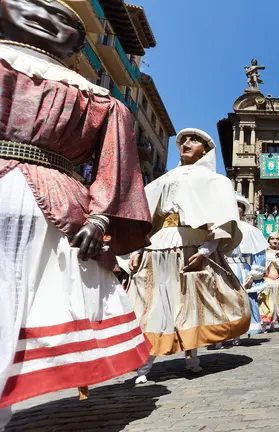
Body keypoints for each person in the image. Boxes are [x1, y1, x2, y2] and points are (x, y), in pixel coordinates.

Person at [0, 0, 152, 419]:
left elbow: (115, 165)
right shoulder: (100, 99)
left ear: (78, 42)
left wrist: (100, 218)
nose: (43, 15)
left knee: (26, 297)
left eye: (63, 17)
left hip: (55, 210)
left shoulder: (102, 101)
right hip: (58, 202)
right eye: (28, 3)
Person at [128, 128, 249, 383]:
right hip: (159, 245)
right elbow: (148, 218)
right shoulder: (163, 179)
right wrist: (138, 249)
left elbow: (222, 221)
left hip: (192, 246)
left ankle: (191, 356)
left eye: (194, 140)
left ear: (205, 150)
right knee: (152, 302)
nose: (186, 143)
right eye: (183, 140)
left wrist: (206, 251)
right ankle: (145, 362)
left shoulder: (215, 181)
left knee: (190, 303)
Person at [220, 194, 268, 347]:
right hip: (223, 267)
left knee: (242, 302)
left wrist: (253, 275)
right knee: (222, 301)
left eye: (239, 206)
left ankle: (238, 334)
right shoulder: (219, 229)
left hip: (242, 269)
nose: (236, 209)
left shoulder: (251, 230)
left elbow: (259, 254)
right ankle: (222, 334)